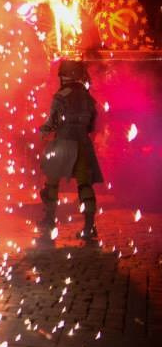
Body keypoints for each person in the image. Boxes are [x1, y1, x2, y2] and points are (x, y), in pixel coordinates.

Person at [38, 59, 103, 245]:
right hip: (83, 143)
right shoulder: (87, 97)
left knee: (52, 182)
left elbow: (53, 122)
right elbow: (93, 122)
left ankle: (49, 222)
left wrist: (42, 131)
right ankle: (89, 226)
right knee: (85, 185)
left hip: (63, 143)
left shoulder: (61, 96)